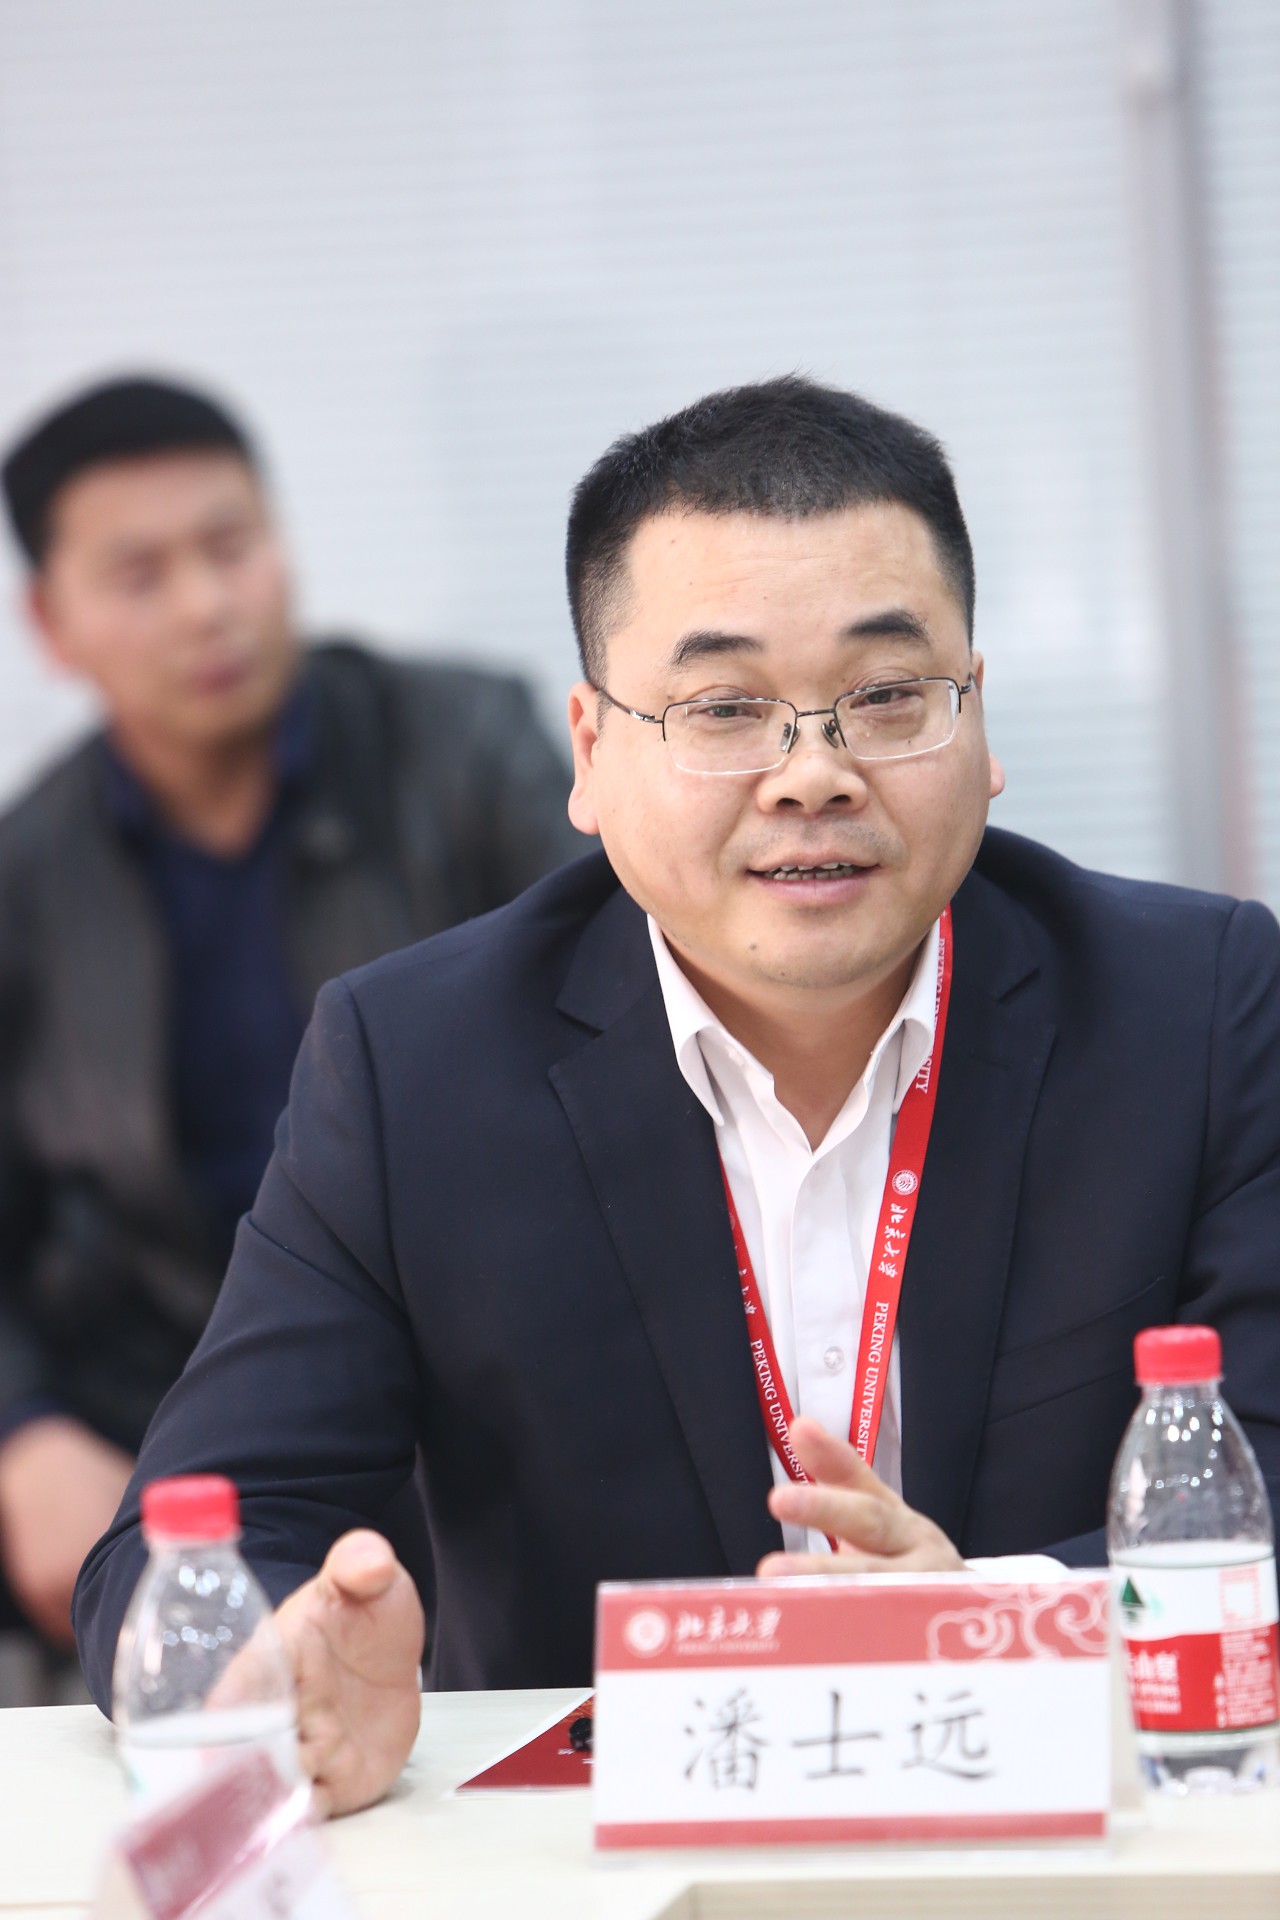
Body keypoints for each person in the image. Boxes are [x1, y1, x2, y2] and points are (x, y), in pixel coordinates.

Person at [74, 376, 1280, 1816]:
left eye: (887, 698)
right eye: (725, 710)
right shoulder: (413, 1067)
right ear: (591, 753)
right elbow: (187, 1541)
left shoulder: (1194, 1006)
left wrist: (999, 1619)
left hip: (1076, 1858)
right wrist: (276, 1667)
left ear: (979, 716)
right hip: (602, 1874)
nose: (814, 775)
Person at [0, 375, 581, 1669]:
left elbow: (616, 1040)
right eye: (141, 574)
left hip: (472, 1381)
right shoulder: (27, 880)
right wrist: (22, 1430)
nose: (207, 604)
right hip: (163, 1414)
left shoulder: (468, 750)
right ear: (51, 622)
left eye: (232, 545)